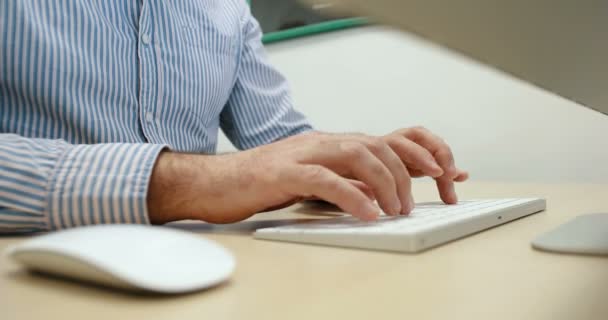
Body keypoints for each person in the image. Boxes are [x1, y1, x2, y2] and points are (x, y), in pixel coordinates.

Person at [0, 0, 468, 233]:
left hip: (200, 266)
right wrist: (187, 184)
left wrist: (355, 161)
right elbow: (237, 173)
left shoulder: (228, 8)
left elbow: (281, 144)